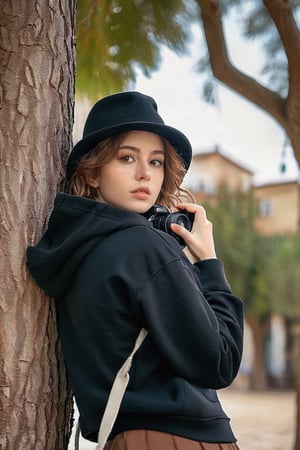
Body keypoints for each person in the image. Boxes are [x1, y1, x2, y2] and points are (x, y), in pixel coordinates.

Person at [27, 91, 243, 450]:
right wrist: (209, 266)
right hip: (179, 439)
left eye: (156, 162)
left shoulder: (72, 249)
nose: (145, 173)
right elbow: (220, 361)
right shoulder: (143, 246)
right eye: (127, 158)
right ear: (93, 172)